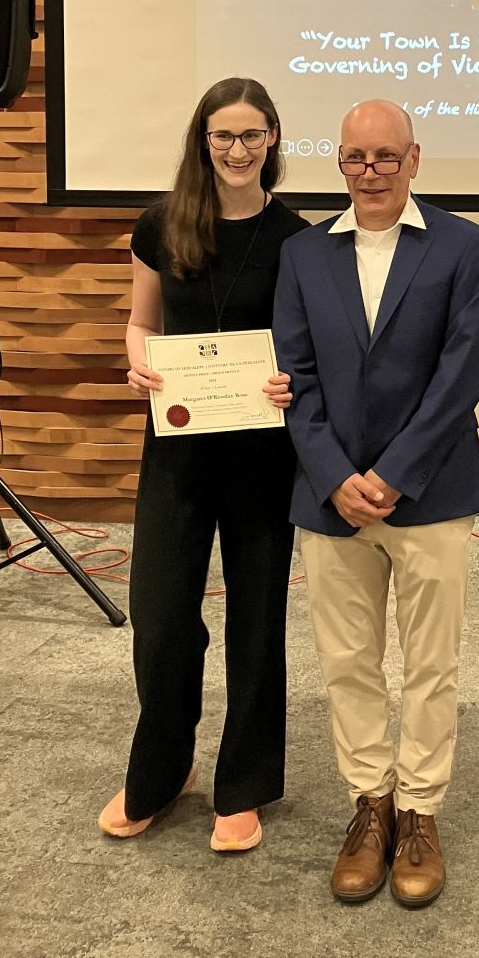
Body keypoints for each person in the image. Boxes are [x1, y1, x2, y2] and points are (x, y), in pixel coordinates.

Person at [272, 99, 479, 908]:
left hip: (431, 493)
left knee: (431, 666)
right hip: (328, 496)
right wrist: (335, 475)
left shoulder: (463, 246)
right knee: (347, 663)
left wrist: (395, 475)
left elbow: (463, 373)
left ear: (414, 159)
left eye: (385, 157)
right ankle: (370, 808)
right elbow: (290, 376)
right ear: (338, 163)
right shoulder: (302, 254)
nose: (369, 172)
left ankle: (420, 811)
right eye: (354, 159)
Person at [98, 77, 305, 853]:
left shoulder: (297, 239)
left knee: (257, 621)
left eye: (252, 135)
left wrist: (293, 379)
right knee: (158, 620)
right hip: (177, 449)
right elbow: (139, 322)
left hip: (261, 455)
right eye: (224, 135)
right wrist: (139, 367)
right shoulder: (162, 225)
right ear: (203, 141)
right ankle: (161, 769)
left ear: (274, 140)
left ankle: (244, 786)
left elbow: (307, 347)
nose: (238, 149)